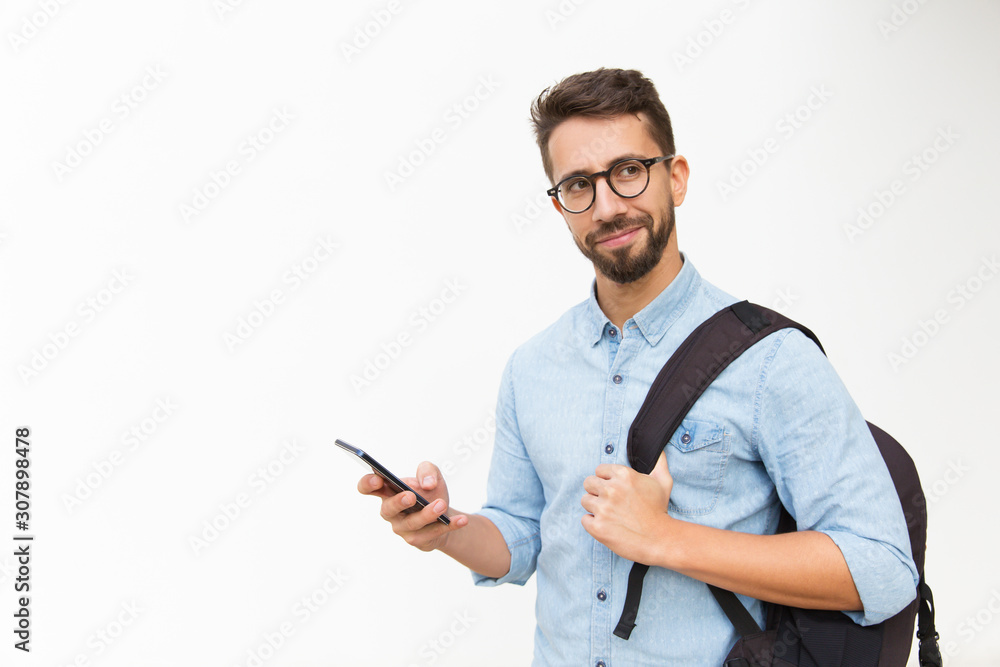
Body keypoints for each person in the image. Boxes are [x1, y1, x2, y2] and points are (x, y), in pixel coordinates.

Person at [358, 68, 918, 665]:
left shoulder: (772, 359)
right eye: (578, 185)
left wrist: (666, 538)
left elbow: (882, 567)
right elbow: (519, 537)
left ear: (676, 178)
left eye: (628, 171)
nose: (606, 207)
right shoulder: (532, 368)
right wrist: (447, 529)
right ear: (560, 205)